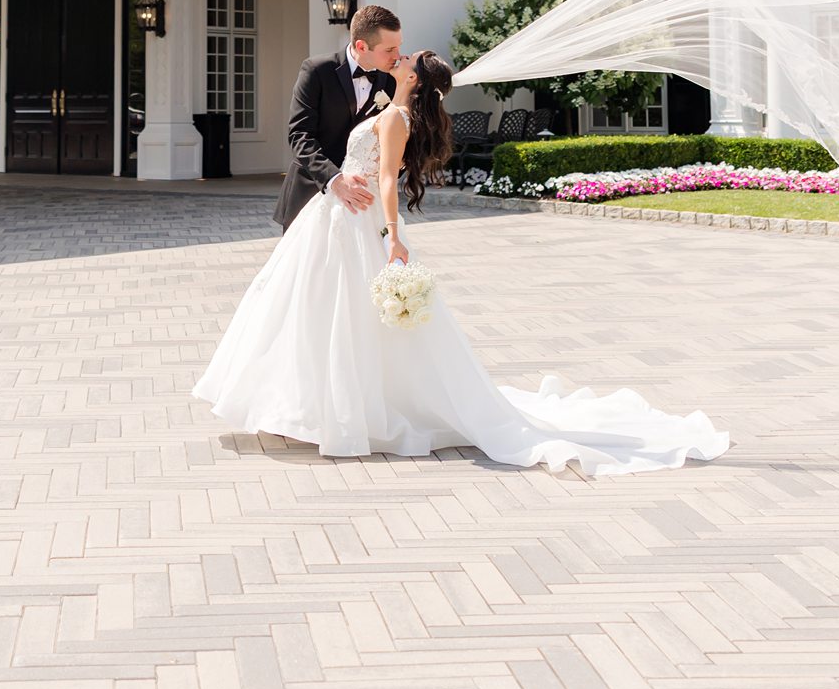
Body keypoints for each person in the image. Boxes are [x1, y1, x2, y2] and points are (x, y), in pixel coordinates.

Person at [195, 48, 730, 475]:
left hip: (358, 223)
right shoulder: (389, 106)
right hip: (332, 217)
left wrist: (392, 237)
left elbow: (387, 179)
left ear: (413, 79)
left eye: (405, 58)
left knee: (347, 318)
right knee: (315, 309)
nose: (398, 57)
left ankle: (347, 409)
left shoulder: (396, 116)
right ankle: (307, 405)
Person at [273, 4, 403, 232]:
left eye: (399, 47)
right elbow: (300, 134)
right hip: (311, 192)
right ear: (362, 46)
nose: (397, 56)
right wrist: (335, 179)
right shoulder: (316, 70)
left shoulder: (391, 80)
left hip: (362, 204)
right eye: (390, 49)